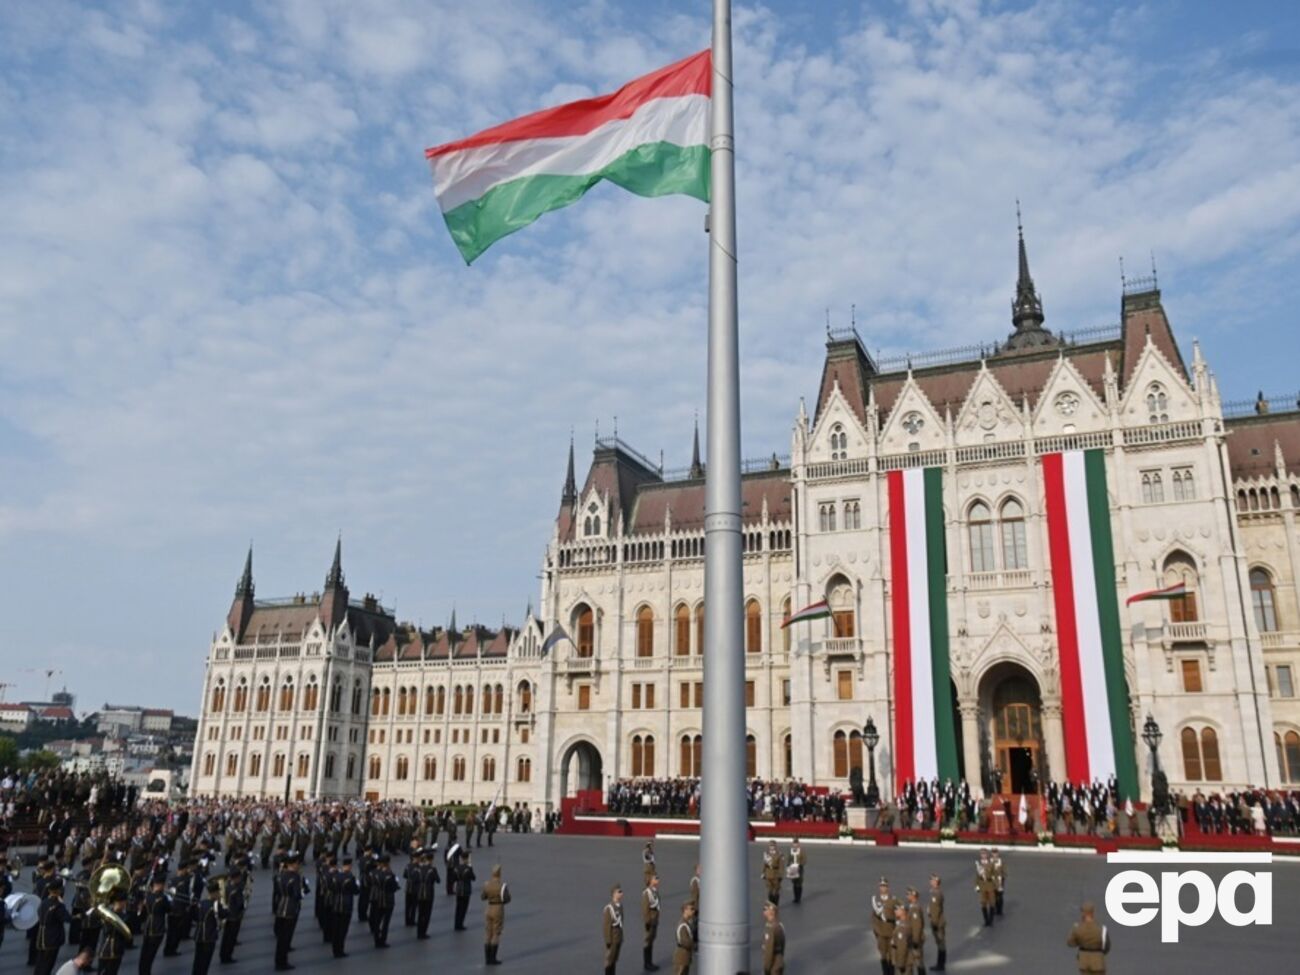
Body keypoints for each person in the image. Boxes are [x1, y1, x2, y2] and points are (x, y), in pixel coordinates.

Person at [273, 853, 304, 971]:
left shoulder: (281, 875)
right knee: (286, 938)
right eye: (297, 863)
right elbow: (297, 894)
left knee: (281, 938)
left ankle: (278, 960)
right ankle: (282, 963)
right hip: (291, 908)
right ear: (294, 864)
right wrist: (303, 891)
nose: (298, 866)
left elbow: (277, 891)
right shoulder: (295, 877)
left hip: (281, 906)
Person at [34, 876, 70, 975]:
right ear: (59, 890)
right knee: (48, 964)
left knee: (40, 963)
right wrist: (62, 904)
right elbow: (67, 918)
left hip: (42, 936)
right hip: (52, 938)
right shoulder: (58, 905)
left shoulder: (44, 902)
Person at [480, 863, 511, 966]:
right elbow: (507, 899)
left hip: (489, 908)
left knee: (488, 932)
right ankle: (493, 958)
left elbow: (483, 897)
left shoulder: (487, 884)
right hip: (498, 908)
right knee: (496, 933)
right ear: (499, 873)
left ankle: (487, 958)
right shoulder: (502, 886)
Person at [1066, 901, 1110, 973]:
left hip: (1084, 961)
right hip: (1098, 962)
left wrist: (1077, 937)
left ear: (1083, 913)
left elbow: (1070, 943)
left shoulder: (1077, 928)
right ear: (1093, 913)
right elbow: (1106, 947)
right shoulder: (1102, 928)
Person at [139, 875, 170, 975]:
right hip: (158, 927)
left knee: (144, 953)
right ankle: (146, 972)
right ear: (160, 885)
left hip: (148, 926)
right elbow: (169, 909)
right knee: (151, 954)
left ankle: (142, 971)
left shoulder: (148, 896)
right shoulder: (163, 898)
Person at [191, 879, 223, 975]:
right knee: (205, 962)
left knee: (197, 961)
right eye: (218, 892)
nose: (219, 894)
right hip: (209, 936)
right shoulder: (215, 905)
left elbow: (194, 917)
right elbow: (224, 914)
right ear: (214, 893)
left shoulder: (201, 903)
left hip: (199, 935)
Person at [219, 860, 248, 964]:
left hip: (227, 915)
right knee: (231, 938)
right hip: (234, 916)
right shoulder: (236, 889)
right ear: (236, 878)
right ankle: (227, 957)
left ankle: (223, 955)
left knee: (226, 937)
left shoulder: (227, 887)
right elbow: (240, 904)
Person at [367, 853, 399, 947]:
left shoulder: (373, 873)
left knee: (377, 920)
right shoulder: (389, 875)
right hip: (387, 899)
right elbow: (393, 887)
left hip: (376, 897)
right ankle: (383, 940)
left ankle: (376, 940)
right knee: (386, 922)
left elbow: (369, 882)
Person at [330, 858, 359, 958]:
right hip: (346, 905)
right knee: (343, 929)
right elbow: (356, 891)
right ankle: (340, 950)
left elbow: (331, 888)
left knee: (335, 929)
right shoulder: (350, 877)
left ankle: (335, 949)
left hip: (336, 904)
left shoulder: (335, 876)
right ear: (349, 865)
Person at [97, 895, 132, 975]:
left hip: (117, 950)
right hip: (106, 950)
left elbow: (128, 933)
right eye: (123, 902)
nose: (125, 904)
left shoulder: (125, 916)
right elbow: (106, 930)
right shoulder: (108, 914)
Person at [870, 877, 897, 975]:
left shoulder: (893, 899)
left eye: (884, 886)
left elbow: (897, 915)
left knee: (892, 956)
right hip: (881, 933)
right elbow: (875, 914)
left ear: (888, 887)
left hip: (891, 932)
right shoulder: (875, 898)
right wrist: (876, 931)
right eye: (881, 886)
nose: (883, 888)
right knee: (883, 955)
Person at [414, 849, 440, 940]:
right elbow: (438, 880)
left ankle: (419, 932)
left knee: (420, 913)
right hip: (429, 893)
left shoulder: (418, 869)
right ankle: (424, 932)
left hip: (420, 893)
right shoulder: (432, 869)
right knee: (427, 914)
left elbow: (414, 880)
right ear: (431, 859)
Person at [603, 884, 625, 975]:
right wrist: (608, 940)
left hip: (618, 937)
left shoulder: (620, 906)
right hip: (612, 938)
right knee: (609, 960)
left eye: (621, 891)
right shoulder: (609, 908)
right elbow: (607, 926)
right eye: (619, 892)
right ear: (614, 894)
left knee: (614, 959)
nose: (621, 893)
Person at [641, 873, 662, 972]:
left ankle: (650, 962)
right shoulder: (647, 893)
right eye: (656, 878)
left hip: (655, 920)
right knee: (648, 942)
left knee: (651, 941)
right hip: (650, 921)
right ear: (650, 880)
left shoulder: (654, 891)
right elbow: (645, 909)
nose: (658, 879)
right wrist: (647, 922)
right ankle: (647, 963)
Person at [452, 849, 476, 932]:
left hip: (458, 889)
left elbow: (454, 878)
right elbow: (473, 878)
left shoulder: (457, 868)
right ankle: (460, 924)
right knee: (463, 908)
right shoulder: (468, 868)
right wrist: (470, 866)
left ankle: (456, 924)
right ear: (466, 859)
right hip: (466, 890)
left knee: (458, 908)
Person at [927, 874, 946, 972]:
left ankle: (940, 965)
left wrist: (934, 924)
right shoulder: (937, 892)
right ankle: (941, 964)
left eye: (932, 880)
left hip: (937, 923)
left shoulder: (935, 894)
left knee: (940, 944)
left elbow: (935, 911)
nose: (930, 881)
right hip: (940, 921)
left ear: (936, 882)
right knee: (940, 944)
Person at [906, 887, 927, 975]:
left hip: (915, 940)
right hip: (914, 939)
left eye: (908, 894)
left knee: (918, 961)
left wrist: (915, 941)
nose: (907, 896)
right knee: (917, 961)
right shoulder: (912, 907)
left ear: (913, 896)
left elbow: (917, 926)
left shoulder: (914, 909)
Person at [761, 901, 785, 975]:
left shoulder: (772, 928)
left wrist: (766, 967)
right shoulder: (779, 925)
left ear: (771, 911)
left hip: (773, 965)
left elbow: (769, 950)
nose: (763, 911)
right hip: (779, 961)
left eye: (765, 909)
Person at [671, 902, 695, 975]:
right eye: (691, 909)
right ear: (685, 910)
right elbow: (685, 942)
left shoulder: (688, 922)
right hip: (682, 957)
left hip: (685, 956)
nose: (693, 911)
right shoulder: (683, 926)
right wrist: (694, 944)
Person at [889, 903, 913, 975]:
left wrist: (901, 964)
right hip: (905, 961)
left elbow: (902, 947)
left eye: (898, 909)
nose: (895, 911)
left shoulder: (902, 928)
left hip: (903, 962)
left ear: (903, 912)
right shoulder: (904, 924)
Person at [975, 850, 996, 927]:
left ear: (987, 855)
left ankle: (991, 920)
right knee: (983, 903)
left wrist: (996, 885)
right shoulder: (978, 865)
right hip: (982, 886)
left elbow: (995, 875)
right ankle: (986, 920)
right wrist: (976, 885)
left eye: (984, 854)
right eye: (982, 854)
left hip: (990, 885)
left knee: (992, 903)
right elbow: (977, 876)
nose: (983, 855)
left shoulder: (991, 864)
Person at [761, 841, 783, 906]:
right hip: (768, 873)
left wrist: (780, 875)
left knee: (776, 890)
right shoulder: (766, 854)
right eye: (770, 846)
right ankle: (771, 904)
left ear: (775, 846)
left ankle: (776, 904)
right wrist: (763, 872)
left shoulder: (779, 854)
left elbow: (781, 866)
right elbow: (765, 864)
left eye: (773, 846)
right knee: (770, 890)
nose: (771, 847)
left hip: (776, 874)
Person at [786, 839, 805, 905]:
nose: (795, 846)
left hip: (799, 869)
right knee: (794, 883)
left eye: (796, 844)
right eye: (794, 844)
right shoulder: (790, 851)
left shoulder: (801, 851)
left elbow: (804, 860)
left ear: (798, 844)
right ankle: (795, 898)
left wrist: (799, 864)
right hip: (792, 868)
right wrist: (788, 865)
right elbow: (788, 859)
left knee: (799, 883)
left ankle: (799, 898)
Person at [990, 851, 1006, 917]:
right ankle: (994, 909)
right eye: (993, 855)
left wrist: (1002, 879)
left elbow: (1004, 872)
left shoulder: (1001, 862)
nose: (995, 856)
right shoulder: (989, 862)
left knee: (999, 896)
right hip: (991, 881)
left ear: (998, 855)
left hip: (999, 881)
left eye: (996, 855)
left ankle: (1000, 910)